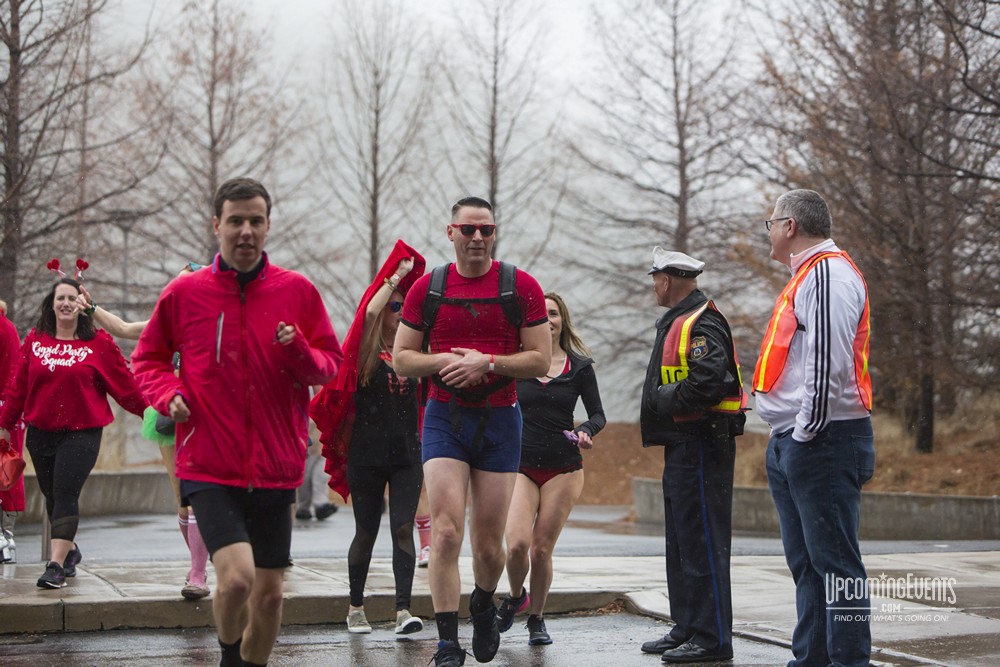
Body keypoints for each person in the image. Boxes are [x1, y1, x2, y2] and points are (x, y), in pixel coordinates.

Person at [131, 177, 343, 667]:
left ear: (268, 226)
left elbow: (327, 365)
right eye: (235, 221)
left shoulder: (297, 291)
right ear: (216, 226)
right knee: (237, 580)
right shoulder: (186, 294)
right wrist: (170, 395)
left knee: (269, 597)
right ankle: (230, 655)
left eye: (256, 221)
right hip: (208, 464)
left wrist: (295, 349)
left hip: (276, 465)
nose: (245, 231)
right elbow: (148, 360)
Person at [392, 197, 550, 667]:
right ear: (451, 232)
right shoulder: (429, 288)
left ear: (494, 232)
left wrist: (490, 362)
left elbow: (540, 358)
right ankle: (446, 641)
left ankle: (483, 602)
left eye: (486, 230)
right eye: (468, 230)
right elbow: (402, 357)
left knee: (487, 545)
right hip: (444, 417)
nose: (477, 238)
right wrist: (444, 361)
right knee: (444, 533)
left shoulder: (520, 286)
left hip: (501, 420)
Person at [754, 189, 874, 667]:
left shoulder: (825, 275)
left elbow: (829, 362)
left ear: (789, 226)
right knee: (808, 565)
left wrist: (805, 432)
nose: (768, 232)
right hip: (800, 441)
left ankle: (847, 661)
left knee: (836, 564)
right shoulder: (809, 275)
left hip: (822, 441)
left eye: (770, 223)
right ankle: (812, 660)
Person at [0, 276, 148, 588]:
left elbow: (125, 387)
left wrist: (151, 412)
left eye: (73, 298)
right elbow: (18, 388)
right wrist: (4, 425)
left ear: (81, 306)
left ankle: (54, 566)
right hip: (40, 434)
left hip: (82, 434)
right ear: (51, 306)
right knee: (52, 496)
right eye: (61, 298)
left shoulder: (99, 344)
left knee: (66, 492)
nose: (66, 303)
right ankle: (69, 552)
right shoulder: (36, 342)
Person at [75, 266, 213, 600]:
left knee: (197, 499)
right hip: (168, 416)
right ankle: (199, 562)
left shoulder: (213, 323)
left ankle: (197, 574)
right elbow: (122, 328)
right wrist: (92, 310)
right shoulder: (162, 326)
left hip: (205, 418)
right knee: (183, 501)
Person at [311, 240, 427, 636]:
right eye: (397, 306)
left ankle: (402, 611)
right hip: (367, 455)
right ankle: (356, 607)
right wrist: (395, 278)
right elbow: (371, 310)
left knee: (402, 528)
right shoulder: (365, 354)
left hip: (409, 454)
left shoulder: (416, 354)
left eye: (404, 306)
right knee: (366, 531)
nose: (400, 312)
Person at [638, 247, 746, 664]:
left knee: (702, 544)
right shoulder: (682, 320)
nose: (654, 286)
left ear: (666, 280)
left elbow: (710, 381)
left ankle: (712, 638)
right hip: (685, 446)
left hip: (702, 446)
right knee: (682, 543)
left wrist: (664, 399)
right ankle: (687, 627)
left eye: (655, 279)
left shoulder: (702, 322)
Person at [496, 292, 605, 646]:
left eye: (554, 313)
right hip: (520, 465)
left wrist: (586, 430)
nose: (548, 319)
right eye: (541, 314)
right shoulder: (517, 362)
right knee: (516, 546)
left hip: (564, 468)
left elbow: (598, 414)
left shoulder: (580, 366)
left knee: (541, 549)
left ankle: (537, 619)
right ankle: (515, 597)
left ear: (562, 320)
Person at [0, 299, 24, 563]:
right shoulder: (7, 327)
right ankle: (6, 537)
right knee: (6, 474)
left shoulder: (3, 328)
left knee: (5, 473)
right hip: (9, 411)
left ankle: (5, 538)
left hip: (5, 413)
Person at [295, 436, 337, 521]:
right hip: (307, 444)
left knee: (321, 476)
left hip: (324, 444)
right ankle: (304, 506)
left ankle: (320, 504)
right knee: (306, 476)